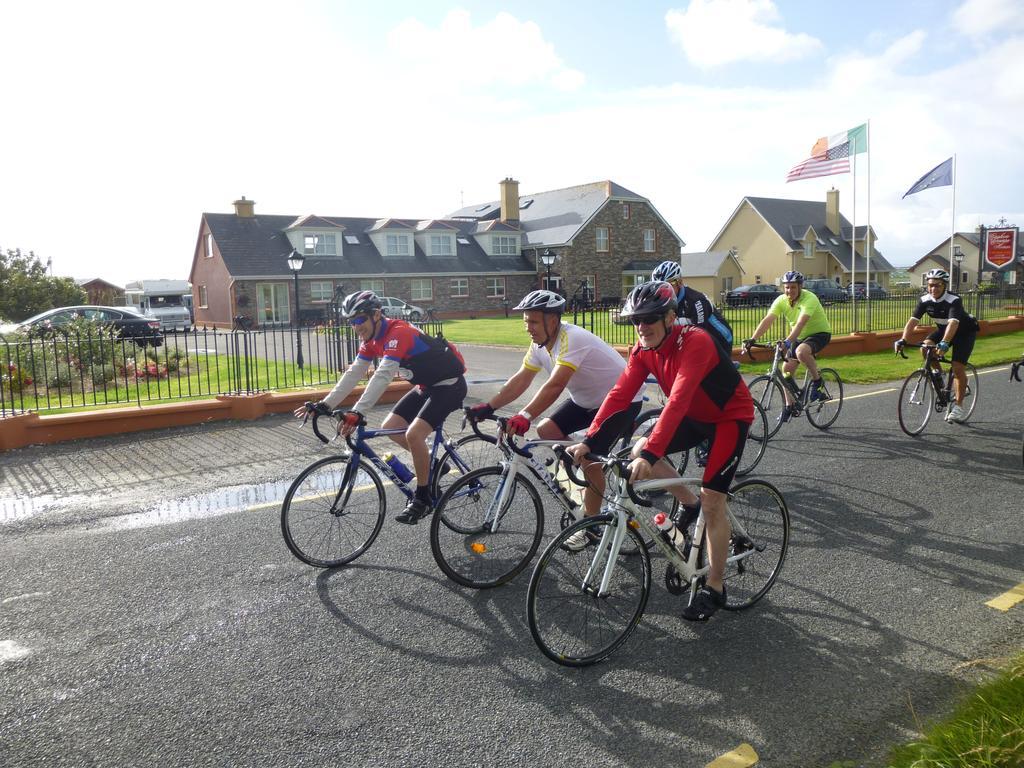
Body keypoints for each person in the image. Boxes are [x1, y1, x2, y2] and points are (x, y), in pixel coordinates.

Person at [566, 281, 755, 622]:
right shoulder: (642, 350)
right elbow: (619, 396)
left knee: (714, 501)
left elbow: (678, 399)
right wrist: (591, 440)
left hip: (728, 418)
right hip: (695, 417)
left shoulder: (695, 342)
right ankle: (688, 503)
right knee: (640, 446)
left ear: (670, 317)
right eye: (636, 320)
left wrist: (651, 456)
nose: (642, 327)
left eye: (650, 318)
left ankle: (715, 585)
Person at [467, 289, 643, 550]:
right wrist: (488, 405)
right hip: (587, 400)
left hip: (620, 402)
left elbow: (555, 385)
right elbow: (521, 379)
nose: (528, 327)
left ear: (552, 321)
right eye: (525, 321)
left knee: (588, 458)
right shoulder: (540, 344)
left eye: (533, 321)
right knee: (546, 428)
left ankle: (591, 526)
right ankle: (590, 471)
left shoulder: (572, 339)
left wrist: (524, 415)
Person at [294, 290, 467, 524]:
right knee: (392, 426)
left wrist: (358, 412)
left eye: (359, 320)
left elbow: (383, 375)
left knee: (414, 434)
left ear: (376, 315)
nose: (356, 326)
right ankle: (433, 464)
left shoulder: (398, 332)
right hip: (427, 386)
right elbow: (354, 372)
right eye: (351, 322)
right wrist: (325, 404)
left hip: (450, 385)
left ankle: (423, 497)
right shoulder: (371, 341)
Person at [742, 270, 832, 419]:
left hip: (819, 333)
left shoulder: (809, 298)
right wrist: (752, 339)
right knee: (786, 369)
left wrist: (788, 342)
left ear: (800, 287)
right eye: (787, 287)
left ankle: (818, 383)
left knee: (801, 352)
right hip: (800, 336)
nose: (789, 291)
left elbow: (800, 323)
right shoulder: (781, 300)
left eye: (793, 287)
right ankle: (790, 406)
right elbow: (768, 320)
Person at [894, 268, 979, 423]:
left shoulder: (954, 300)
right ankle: (939, 374)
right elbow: (913, 321)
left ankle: (958, 407)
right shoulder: (925, 300)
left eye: (937, 285)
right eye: (930, 285)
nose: (933, 289)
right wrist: (903, 340)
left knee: (957, 367)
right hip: (943, 329)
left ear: (944, 285)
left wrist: (945, 343)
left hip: (964, 332)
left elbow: (953, 323)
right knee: (925, 347)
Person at [651, 260, 734, 353]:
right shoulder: (664, 302)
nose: (664, 291)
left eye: (669, 285)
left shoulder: (696, 301)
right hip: (698, 340)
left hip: (720, 341)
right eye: (659, 287)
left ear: (680, 282)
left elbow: (699, 335)